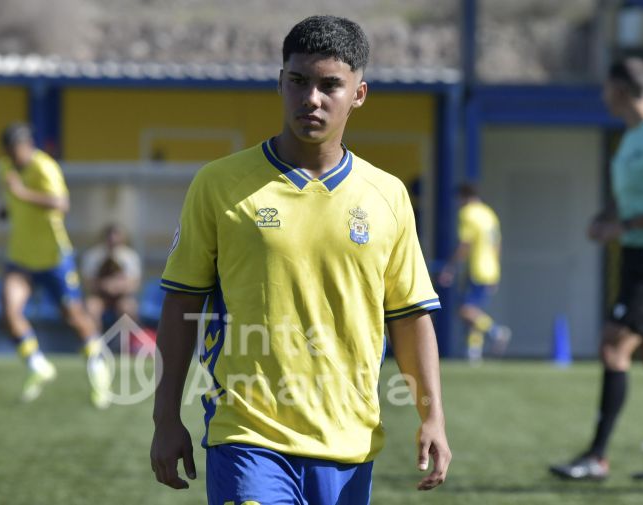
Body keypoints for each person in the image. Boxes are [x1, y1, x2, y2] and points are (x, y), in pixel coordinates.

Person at [149, 16, 451, 504]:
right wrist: (166, 419)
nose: (311, 97)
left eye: (330, 85)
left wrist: (432, 415)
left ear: (359, 94)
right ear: (280, 83)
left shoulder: (387, 195)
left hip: (349, 442)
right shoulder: (219, 184)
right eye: (298, 81)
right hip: (248, 435)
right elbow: (180, 306)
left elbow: (410, 316)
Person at [550, 57, 643, 481]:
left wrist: (619, 227)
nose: (602, 96)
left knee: (614, 346)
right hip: (633, 256)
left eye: (606, 88)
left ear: (621, 90)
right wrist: (605, 215)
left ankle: (597, 456)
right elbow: (628, 195)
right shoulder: (629, 138)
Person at [0, 123, 112, 408]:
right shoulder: (5, 168)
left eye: (18, 149)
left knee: (73, 316)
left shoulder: (44, 167)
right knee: (10, 310)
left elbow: (61, 203)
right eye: (10, 151)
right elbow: (13, 201)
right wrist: (8, 208)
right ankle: (38, 366)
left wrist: (23, 194)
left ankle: (98, 366)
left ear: (27, 145)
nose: (14, 155)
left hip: (53, 257)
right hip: (21, 256)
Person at [438, 183, 511, 363]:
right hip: (491, 269)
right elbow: (497, 244)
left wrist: (450, 267)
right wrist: (497, 269)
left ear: (464, 197)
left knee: (465, 310)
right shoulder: (489, 213)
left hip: (477, 269)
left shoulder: (468, 213)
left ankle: (496, 332)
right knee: (475, 312)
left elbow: (465, 243)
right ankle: (473, 351)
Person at [80, 223, 142, 328]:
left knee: (128, 308)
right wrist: (104, 285)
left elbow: (135, 283)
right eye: (110, 234)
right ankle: (95, 341)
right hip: (99, 297)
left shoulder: (130, 256)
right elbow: (88, 283)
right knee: (91, 307)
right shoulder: (93, 255)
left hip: (122, 297)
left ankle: (125, 343)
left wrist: (119, 286)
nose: (113, 238)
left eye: (116, 234)